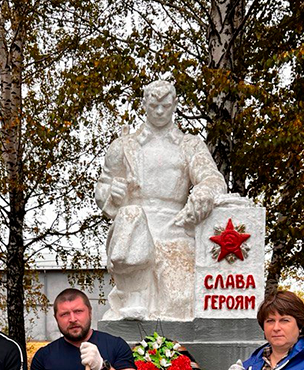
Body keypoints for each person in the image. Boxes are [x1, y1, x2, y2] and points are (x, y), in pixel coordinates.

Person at [95, 78, 226, 321]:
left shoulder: (190, 145)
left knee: (180, 303)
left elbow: (213, 179)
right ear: (144, 104)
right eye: (153, 105)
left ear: (174, 104)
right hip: (134, 226)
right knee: (132, 215)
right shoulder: (124, 146)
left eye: (165, 105)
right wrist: (113, 193)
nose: (158, 111)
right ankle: (134, 294)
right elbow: (102, 187)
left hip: (175, 226)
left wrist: (203, 193)